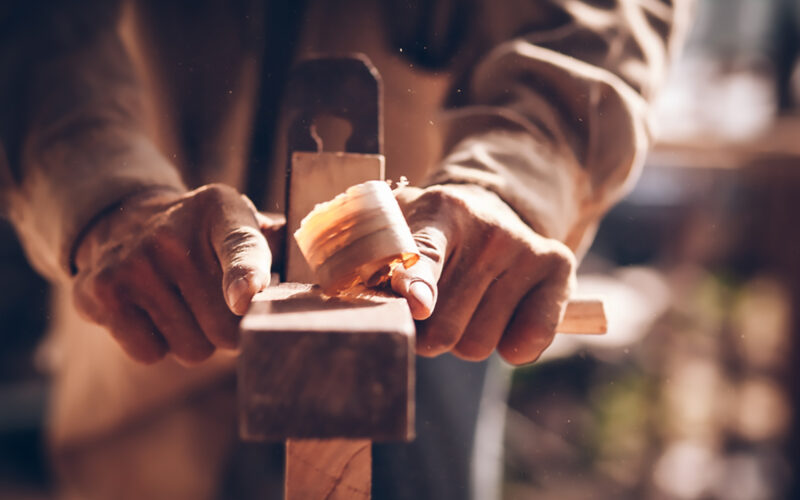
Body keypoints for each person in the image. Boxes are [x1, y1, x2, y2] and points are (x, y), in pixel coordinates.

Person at [0, 0, 693, 498]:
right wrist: (101, 193)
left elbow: (602, 17)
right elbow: (32, 27)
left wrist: (511, 180)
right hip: (158, 305)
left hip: (435, 306)